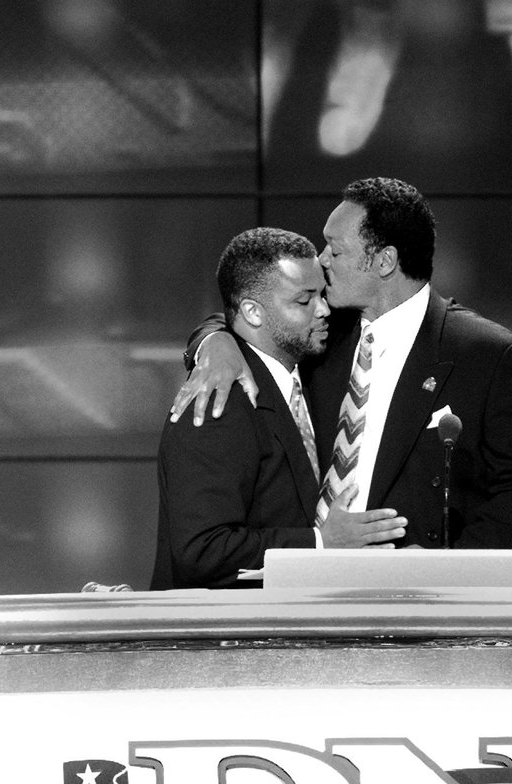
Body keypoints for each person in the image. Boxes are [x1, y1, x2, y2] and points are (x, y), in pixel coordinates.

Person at [171, 178, 512, 550]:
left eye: (335, 251)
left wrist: (448, 566)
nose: (321, 261)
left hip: (418, 597)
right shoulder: (322, 331)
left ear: (384, 261)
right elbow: (254, 311)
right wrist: (213, 341)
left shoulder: (486, 355)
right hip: (303, 580)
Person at [150, 226, 407, 589]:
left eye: (322, 293)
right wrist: (321, 543)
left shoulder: (306, 378)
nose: (323, 309)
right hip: (225, 639)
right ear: (253, 312)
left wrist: (213, 337)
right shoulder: (216, 399)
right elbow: (201, 551)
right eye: (303, 301)